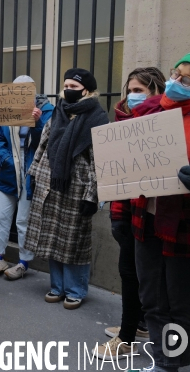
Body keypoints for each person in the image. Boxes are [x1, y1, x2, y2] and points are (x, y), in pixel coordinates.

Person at [92, 67, 166, 360]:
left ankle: (128, 337)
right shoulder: (123, 121)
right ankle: (137, 327)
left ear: (155, 92)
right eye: (130, 91)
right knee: (130, 272)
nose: (131, 97)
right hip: (123, 210)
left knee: (140, 276)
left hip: (147, 214)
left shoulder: (160, 126)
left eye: (139, 91)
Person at [125, 54, 190, 372]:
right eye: (176, 75)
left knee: (180, 301)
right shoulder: (155, 112)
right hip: (146, 216)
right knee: (150, 294)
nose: (177, 83)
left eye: (186, 80)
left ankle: (175, 359)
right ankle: (163, 359)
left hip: (182, 222)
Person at [24, 68, 108, 310]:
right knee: (52, 238)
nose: (68, 90)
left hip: (78, 186)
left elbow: (99, 161)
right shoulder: (58, 112)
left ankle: (75, 290)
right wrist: (34, 174)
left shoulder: (97, 118)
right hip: (50, 184)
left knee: (74, 241)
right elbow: (43, 145)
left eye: (74, 86)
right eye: (66, 85)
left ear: (88, 91)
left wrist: (92, 195)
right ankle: (57, 286)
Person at [0, 76, 54, 281]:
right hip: (9, 175)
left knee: (24, 220)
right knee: (0, 217)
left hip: (30, 176)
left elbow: (47, 142)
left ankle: (23, 262)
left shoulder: (47, 112)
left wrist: (35, 123)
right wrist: (6, 159)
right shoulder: (6, 111)